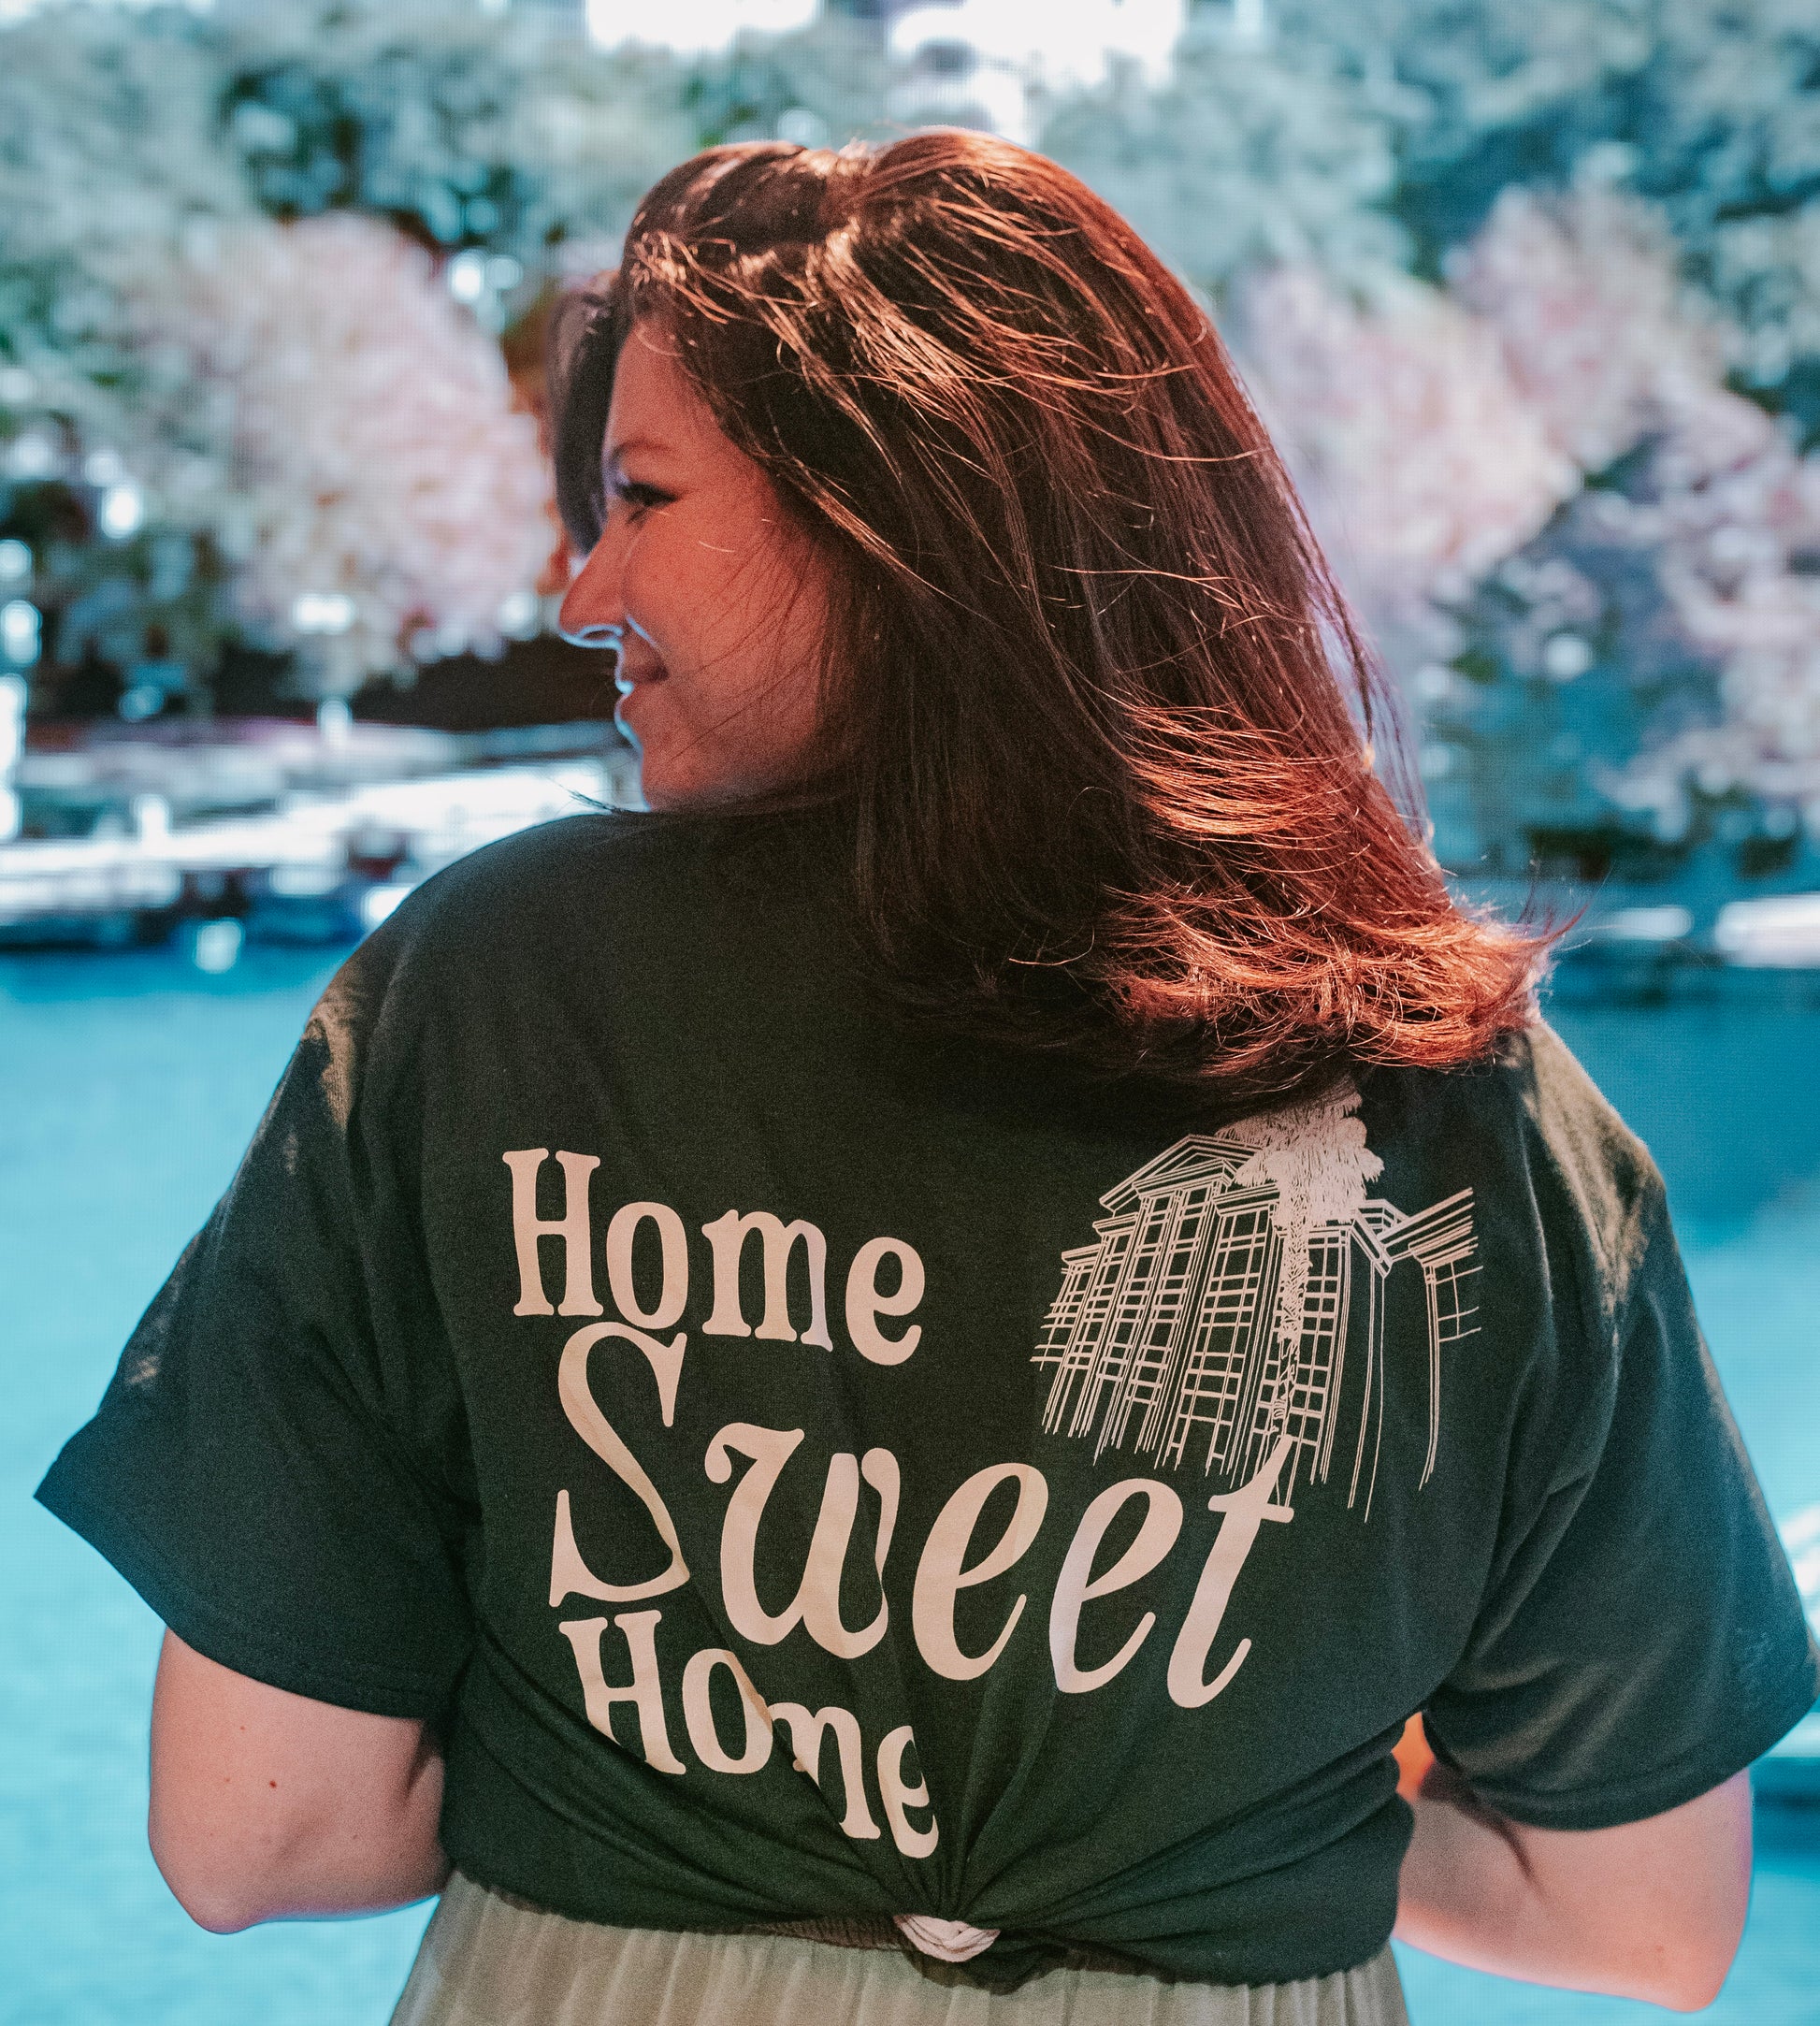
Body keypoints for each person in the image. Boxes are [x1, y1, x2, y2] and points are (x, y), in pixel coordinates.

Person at [38, 133, 1818, 2026]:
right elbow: (1639, 1917)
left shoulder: (486, 989)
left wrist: (619, 1778)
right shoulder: (1460, 1097)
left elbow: (259, 1836)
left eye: (640, 498)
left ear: (895, 516)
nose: (581, 589)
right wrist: (1239, 1810)